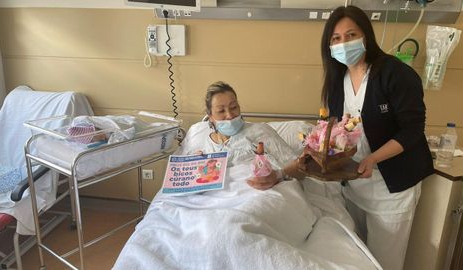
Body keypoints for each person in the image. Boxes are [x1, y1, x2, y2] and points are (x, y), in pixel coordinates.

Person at [319, 5, 434, 270]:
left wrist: (373, 158)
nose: (343, 43)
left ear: (366, 36)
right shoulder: (339, 79)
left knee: (385, 263)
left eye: (351, 35)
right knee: (359, 259)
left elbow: (413, 130)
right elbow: (337, 127)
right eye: (336, 39)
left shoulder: (395, 74)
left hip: (392, 188)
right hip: (355, 184)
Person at [176, 81, 304, 190]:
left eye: (233, 107)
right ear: (210, 117)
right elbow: (179, 179)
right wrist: (193, 167)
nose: (230, 115)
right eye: (221, 111)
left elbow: (300, 167)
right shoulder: (199, 139)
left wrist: (278, 175)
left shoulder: (259, 132)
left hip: (255, 194)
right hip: (210, 199)